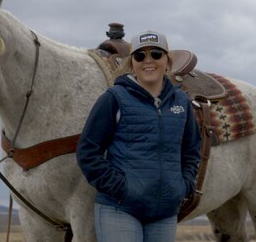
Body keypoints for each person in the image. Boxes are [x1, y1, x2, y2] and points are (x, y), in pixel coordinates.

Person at [77, 30, 202, 242]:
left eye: (156, 53)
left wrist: (183, 185)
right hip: (121, 208)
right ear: (131, 63)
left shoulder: (181, 102)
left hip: (164, 212)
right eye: (140, 55)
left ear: (167, 61)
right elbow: (88, 152)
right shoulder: (113, 99)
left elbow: (191, 150)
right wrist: (121, 188)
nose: (148, 61)